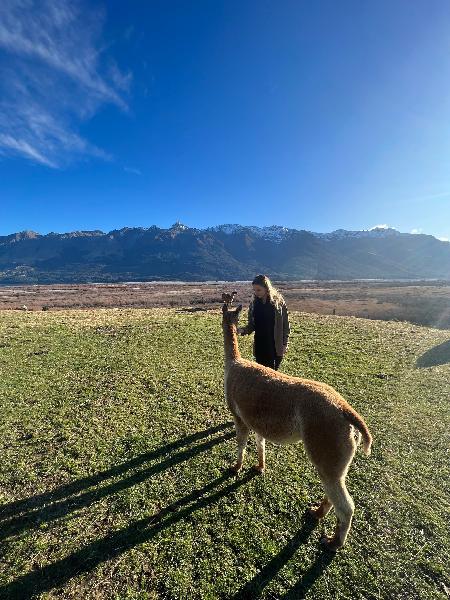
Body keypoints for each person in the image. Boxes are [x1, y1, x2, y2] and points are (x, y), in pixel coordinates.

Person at [237, 274, 290, 370]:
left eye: (258, 290)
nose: (256, 293)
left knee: (273, 375)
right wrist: (242, 330)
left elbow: (285, 325)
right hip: (260, 346)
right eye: (254, 290)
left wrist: (285, 344)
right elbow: (252, 325)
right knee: (262, 376)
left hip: (275, 346)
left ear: (266, 288)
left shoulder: (278, 302)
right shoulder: (254, 304)